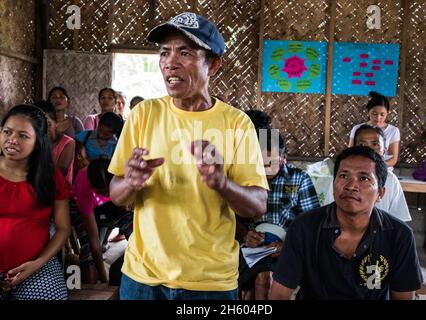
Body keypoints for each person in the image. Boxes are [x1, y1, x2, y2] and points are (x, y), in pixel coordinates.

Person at [108, 12, 269, 300]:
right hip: (143, 278)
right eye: (164, 52)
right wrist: (131, 181)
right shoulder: (144, 115)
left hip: (209, 283)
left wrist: (222, 183)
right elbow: (117, 195)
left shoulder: (237, 123)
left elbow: (257, 205)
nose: (170, 62)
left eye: (185, 52)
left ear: (214, 64)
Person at [269, 146, 423, 300]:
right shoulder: (304, 227)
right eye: (343, 176)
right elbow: (279, 294)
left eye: (364, 178)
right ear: (334, 184)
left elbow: (403, 297)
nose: (350, 186)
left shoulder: (399, 235)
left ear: (380, 193)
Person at [238, 128, 320, 300]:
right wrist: (246, 234)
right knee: (249, 290)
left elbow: (312, 223)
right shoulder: (244, 178)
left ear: (283, 159)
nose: (265, 167)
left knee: (264, 279)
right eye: (260, 161)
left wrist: (288, 246)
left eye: (271, 162)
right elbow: (231, 217)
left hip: (285, 249)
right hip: (250, 249)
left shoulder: (298, 179)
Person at [0, 105, 70, 300]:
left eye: (23, 136)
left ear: (38, 142)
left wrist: (38, 263)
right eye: (7, 132)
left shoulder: (51, 178)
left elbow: (63, 228)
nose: (12, 140)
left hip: (35, 267)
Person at [71, 158, 132, 284]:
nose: (107, 193)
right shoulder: (84, 189)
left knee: (137, 236)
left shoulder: (121, 174)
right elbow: (94, 240)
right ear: (94, 189)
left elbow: (129, 207)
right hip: (88, 211)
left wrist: (124, 204)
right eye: (102, 192)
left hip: (113, 208)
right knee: (88, 259)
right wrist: (104, 280)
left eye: (109, 189)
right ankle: (91, 289)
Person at [353, 124, 411, 222]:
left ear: (384, 151)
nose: (368, 149)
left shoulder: (390, 180)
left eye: (375, 144)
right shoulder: (342, 177)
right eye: (362, 145)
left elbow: (400, 221)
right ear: (353, 148)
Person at [348, 91, 400, 168]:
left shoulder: (393, 131)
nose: (378, 118)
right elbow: (350, 153)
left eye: (382, 114)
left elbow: (393, 159)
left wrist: (375, 166)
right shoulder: (357, 129)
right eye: (374, 114)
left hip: (382, 170)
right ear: (368, 112)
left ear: (387, 113)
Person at [34, 100, 75, 184]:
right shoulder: (33, 141)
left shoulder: (68, 143)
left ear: (56, 123)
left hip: (59, 190)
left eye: (48, 124)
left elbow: (60, 173)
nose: (43, 129)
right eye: (39, 125)